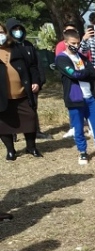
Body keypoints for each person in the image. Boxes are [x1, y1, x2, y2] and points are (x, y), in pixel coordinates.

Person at [55, 30, 95, 164]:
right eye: (73, 43)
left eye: (78, 42)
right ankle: (82, 152)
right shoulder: (61, 59)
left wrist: (84, 72)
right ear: (66, 42)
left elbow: (94, 74)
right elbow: (74, 75)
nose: (76, 45)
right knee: (78, 127)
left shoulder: (82, 57)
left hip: (89, 97)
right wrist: (86, 72)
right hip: (74, 98)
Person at [0, 22, 42, 161]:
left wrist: (35, 81)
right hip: (3, 97)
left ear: (6, 33)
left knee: (30, 119)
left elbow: (32, 66)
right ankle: (11, 151)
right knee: (4, 125)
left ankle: (31, 147)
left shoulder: (17, 48)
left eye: (1, 32)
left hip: (22, 93)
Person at [5, 18, 51, 140]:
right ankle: (13, 133)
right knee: (12, 109)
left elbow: (35, 65)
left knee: (32, 109)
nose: (18, 31)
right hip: (14, 86)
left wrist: (38, 81)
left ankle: (35, 131)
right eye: (14, 29)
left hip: (31, 84)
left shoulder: (29, 45)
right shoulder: (8, 47)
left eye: (19, 29)